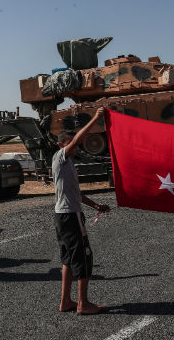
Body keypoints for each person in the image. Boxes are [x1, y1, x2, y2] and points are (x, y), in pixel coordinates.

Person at [53, 107, 110, 315]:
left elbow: (76, 194)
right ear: (61, 145)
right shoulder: (60, 157)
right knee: (83, 258)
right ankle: (83, 304)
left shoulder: (68, 165)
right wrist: (96, 118)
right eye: (69, 143)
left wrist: (96, 206)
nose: (74, 146)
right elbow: (77, 139)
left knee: (68, 259)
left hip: (64, 215)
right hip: (69, 216)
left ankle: (66, 301)